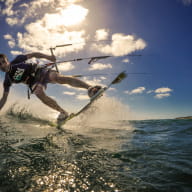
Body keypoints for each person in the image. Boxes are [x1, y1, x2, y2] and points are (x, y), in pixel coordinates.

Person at [0, 53, 102, 122]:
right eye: (0, 65)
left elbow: (35, 54)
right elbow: (4, 99)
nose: (2, 65)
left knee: (57, 77)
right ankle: (63, 112)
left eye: (3, 62)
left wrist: (49, 57)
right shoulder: (7, 80)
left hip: (40, 72)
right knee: (38, 92)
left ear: (7, 61)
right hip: (34, 83)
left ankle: (91, 89)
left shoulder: (18, 60)